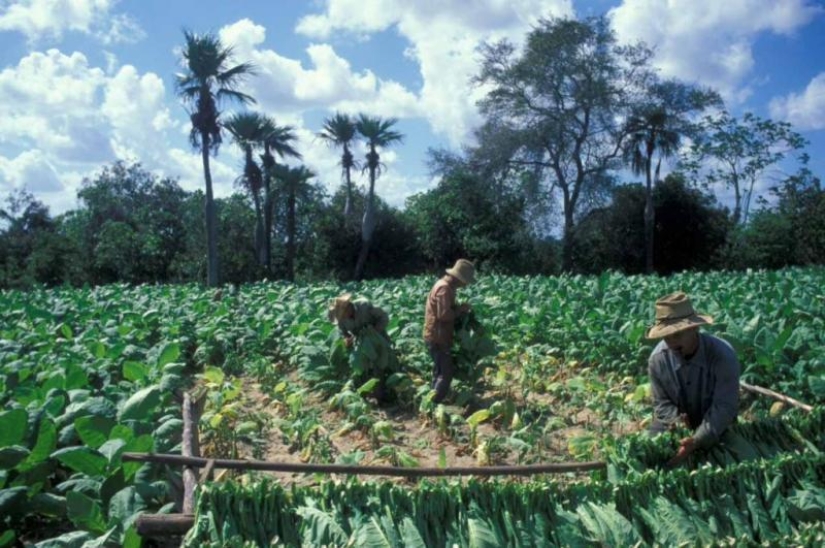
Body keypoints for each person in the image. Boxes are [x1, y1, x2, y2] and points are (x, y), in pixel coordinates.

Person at [646, 291, 741, 466]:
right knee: (651, 457)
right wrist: (677, 423)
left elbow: (725, 406)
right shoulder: (657, 360)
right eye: (666, 337)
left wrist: (698, 439)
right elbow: (661, 403)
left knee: (729, 463)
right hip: (675, 424)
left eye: (677, 334)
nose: (671, 343)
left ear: (694, 328)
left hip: (716, 422)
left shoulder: (722, 355)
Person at [423, 259, 475, 403]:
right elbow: (444, 315)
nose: (465, 285)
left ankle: (431, 402)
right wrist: (460, 310)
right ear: (459, 278)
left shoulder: (445, 286)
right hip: (438, 337)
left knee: (439, 371)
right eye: (465, 281)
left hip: (437, 335)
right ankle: (434, 404)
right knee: (445, 374)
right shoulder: (444, 288)